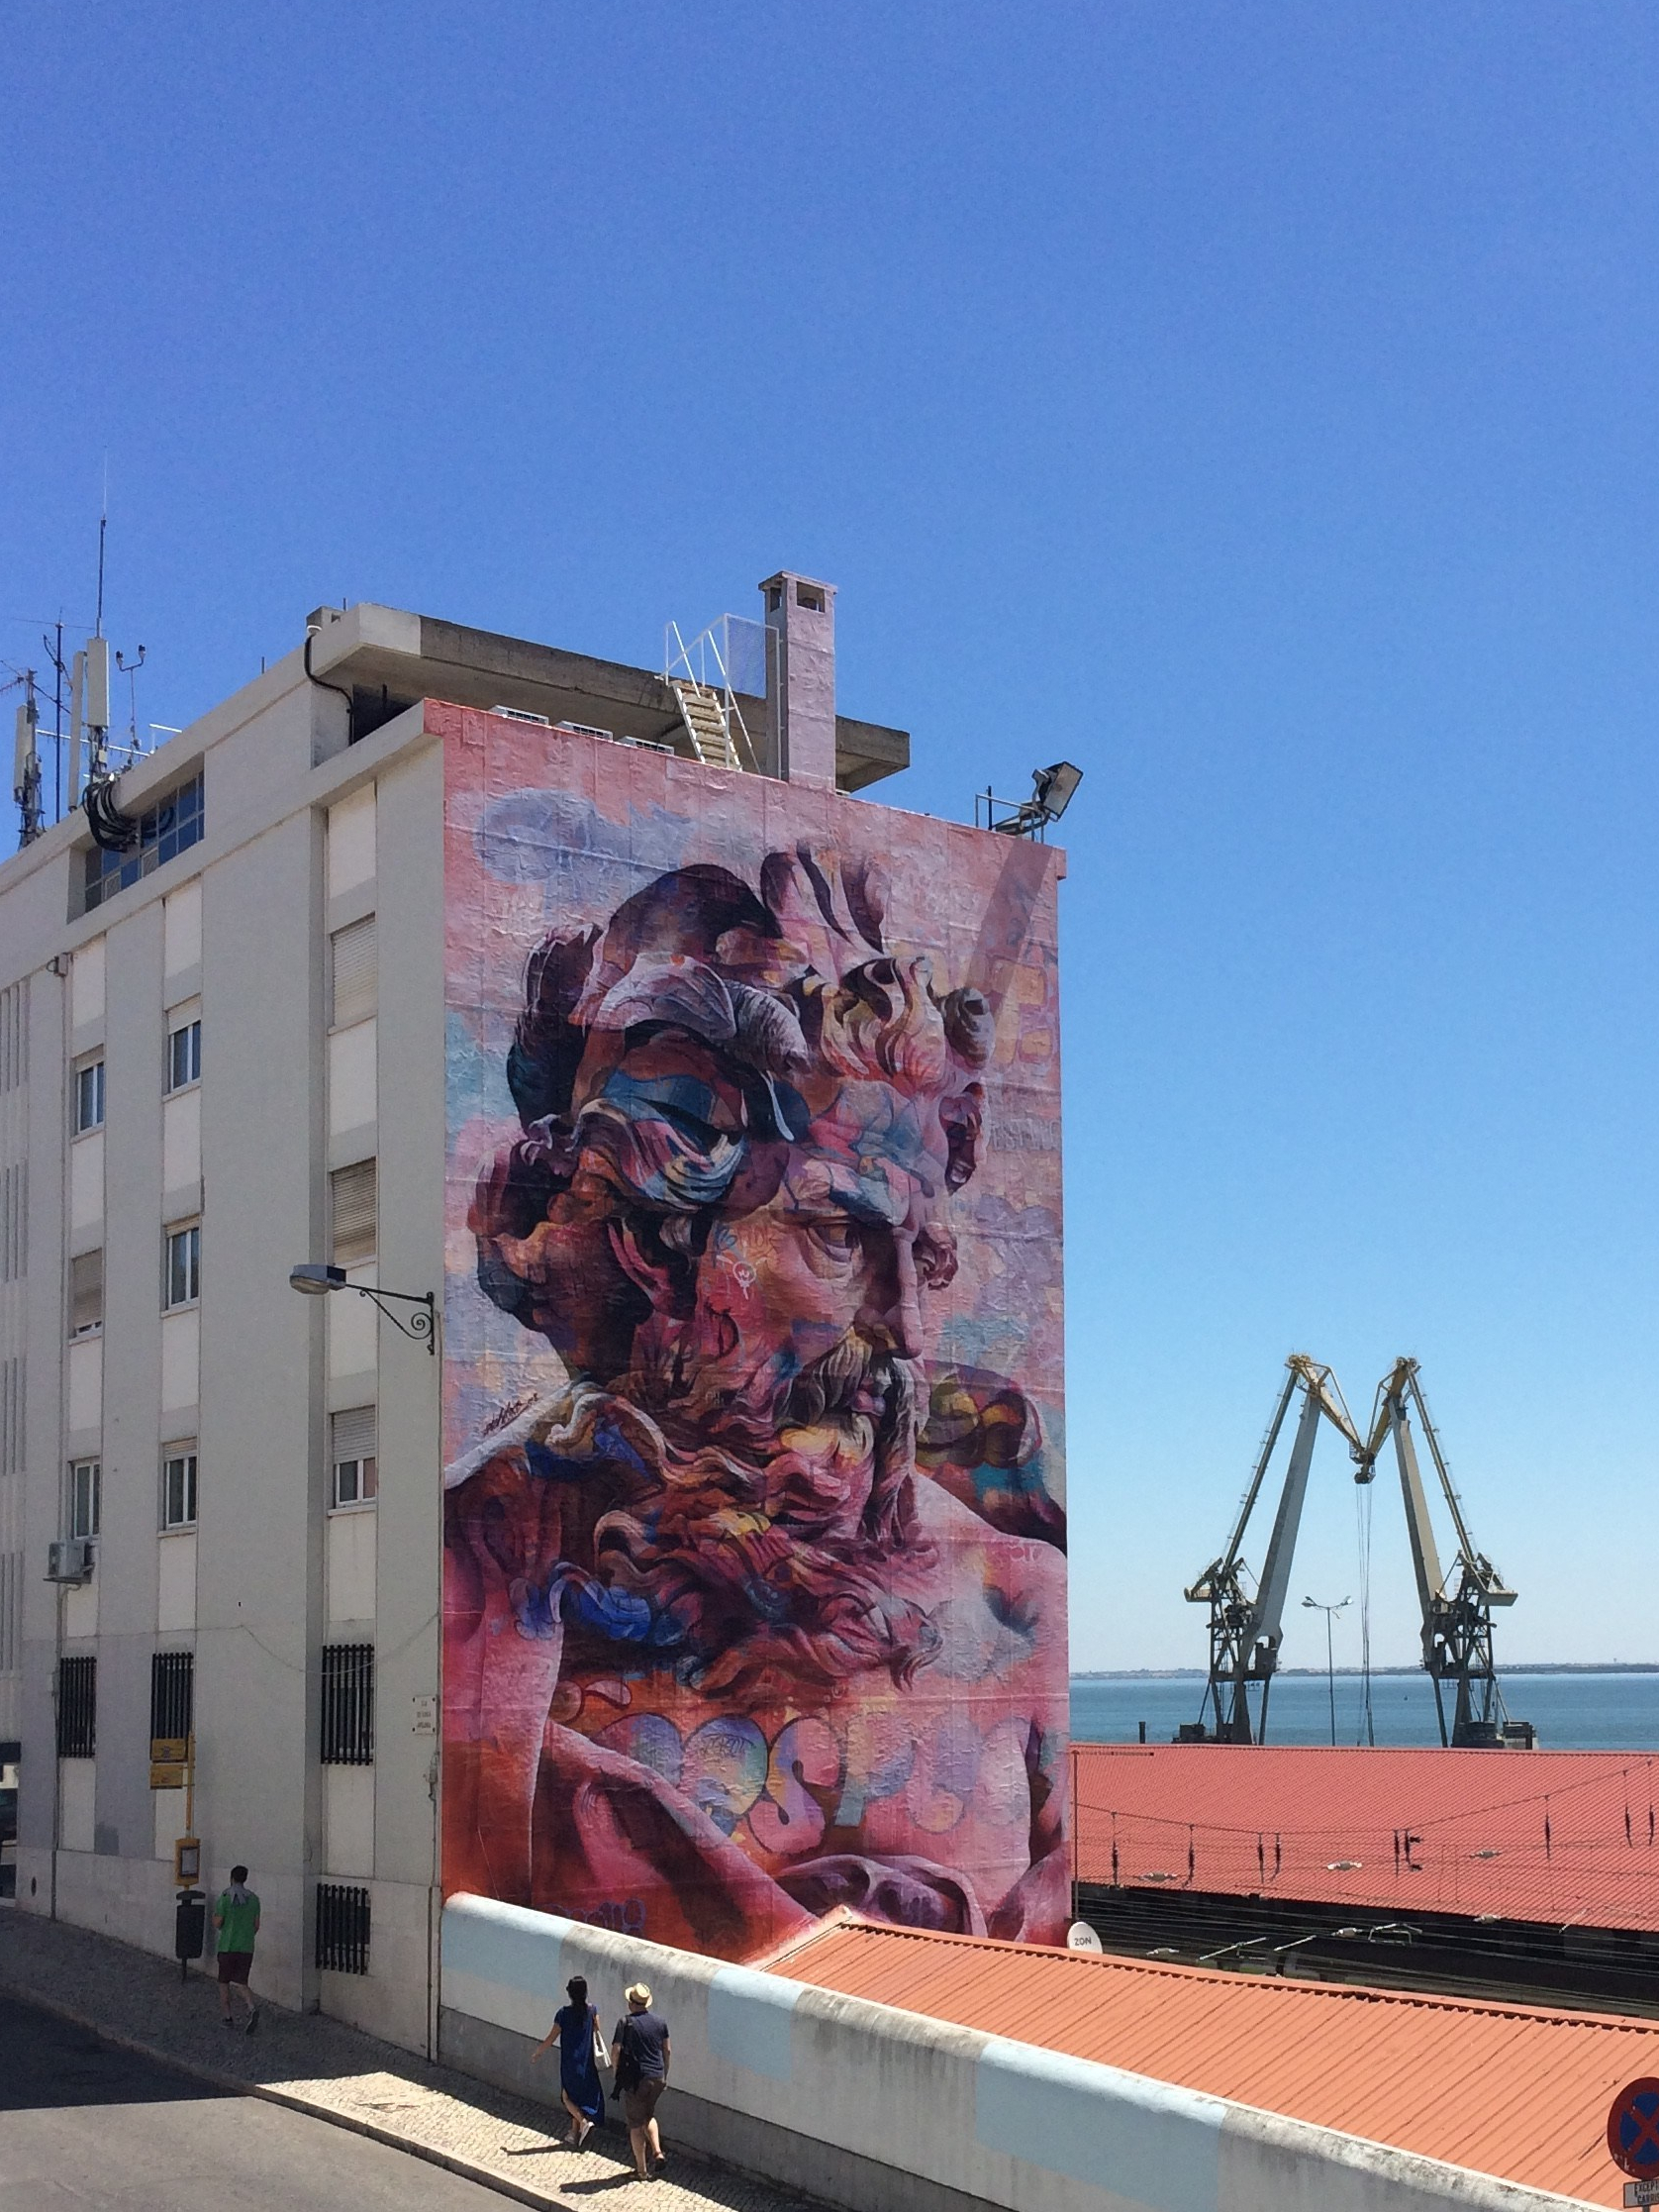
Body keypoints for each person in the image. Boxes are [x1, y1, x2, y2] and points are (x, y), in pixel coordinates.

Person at [442, 846, 1069, 1960]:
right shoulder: (473, 1588)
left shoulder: (1019, 1608)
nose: (906, 1333)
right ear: (654, 1244)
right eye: (836, 1237)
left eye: (918, 1256)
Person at [530, 1972, 606, 2148]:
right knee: (579, 2097)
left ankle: (584, 2123)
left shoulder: (563, 2014)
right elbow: (597, 2029)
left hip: (570, 2063)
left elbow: (551, 2037)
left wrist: (538, 2052)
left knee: (567, 2097)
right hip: (587, 2062)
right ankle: (574, 2133)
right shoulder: (592, 2011)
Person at [610, 1982, 669, 2181]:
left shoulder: (625, 2023)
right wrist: (665, 2074)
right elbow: (667, 2050)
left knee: (635, 2124)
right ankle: (658, 2152)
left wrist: (616, 2072)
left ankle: (642, 2171)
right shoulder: (660, 2022)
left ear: (631, 2003)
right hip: (657, 2077)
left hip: (637, 2080)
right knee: (648, 2115)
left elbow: (616, 2050)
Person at [212, 1864, 260, 2033]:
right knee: (241, 1982)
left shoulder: (225, 1897)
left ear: (232, 1878)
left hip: (227, 1946)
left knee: (223, 1983)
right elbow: (256, 1926)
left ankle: (228, 2018)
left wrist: (215, 1919)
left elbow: (218, 1922)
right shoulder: (254, 1900)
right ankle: (252, 2007)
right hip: (246, 1947)